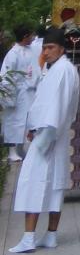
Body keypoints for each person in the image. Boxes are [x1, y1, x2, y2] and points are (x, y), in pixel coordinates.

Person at [9, 26, 80, 253]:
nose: (46, 52)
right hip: (53, 135)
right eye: (45, 48)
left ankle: (29, 237)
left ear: (61, 48)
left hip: (49, 136)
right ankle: (50, 235)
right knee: (54, 185)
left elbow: (55, 109)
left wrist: (42, 138)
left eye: (50, 48)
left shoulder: (62, 71)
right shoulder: (60, 68)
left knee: (35, 183)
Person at [1, 24, 41, 164]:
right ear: (25, 36)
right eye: (30, 35)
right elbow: (7, 76)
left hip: (29, 92)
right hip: (17, 93)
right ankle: (12, 151)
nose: (32, 38)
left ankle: (21, 148)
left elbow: (36, 69)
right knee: (14, 121)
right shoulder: (13, 53)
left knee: (28, 122)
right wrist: (8, 97)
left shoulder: (31, 50)